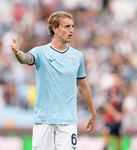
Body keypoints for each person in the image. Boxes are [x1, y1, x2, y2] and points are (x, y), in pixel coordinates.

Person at [10, 11, 96, 150]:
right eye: (67, 26)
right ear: (55, 29)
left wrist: (93, 112)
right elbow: (26, 59)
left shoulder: (77, 56)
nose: (71, 30)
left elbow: (82, 85)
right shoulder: (40, 52)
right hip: (44, 120)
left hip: (68, 121)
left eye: (72, 26)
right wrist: (17, 53)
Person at [102, 74, 124, 150]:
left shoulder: (120, 92)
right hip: (109, 120)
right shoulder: (108, 91)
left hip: (118, 121)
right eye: (117, 80)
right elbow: (108, 106)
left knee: (119, 142)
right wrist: (116, 115)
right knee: (107, 141)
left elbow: (121, 106)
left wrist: (121, 115)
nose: (119, 82)